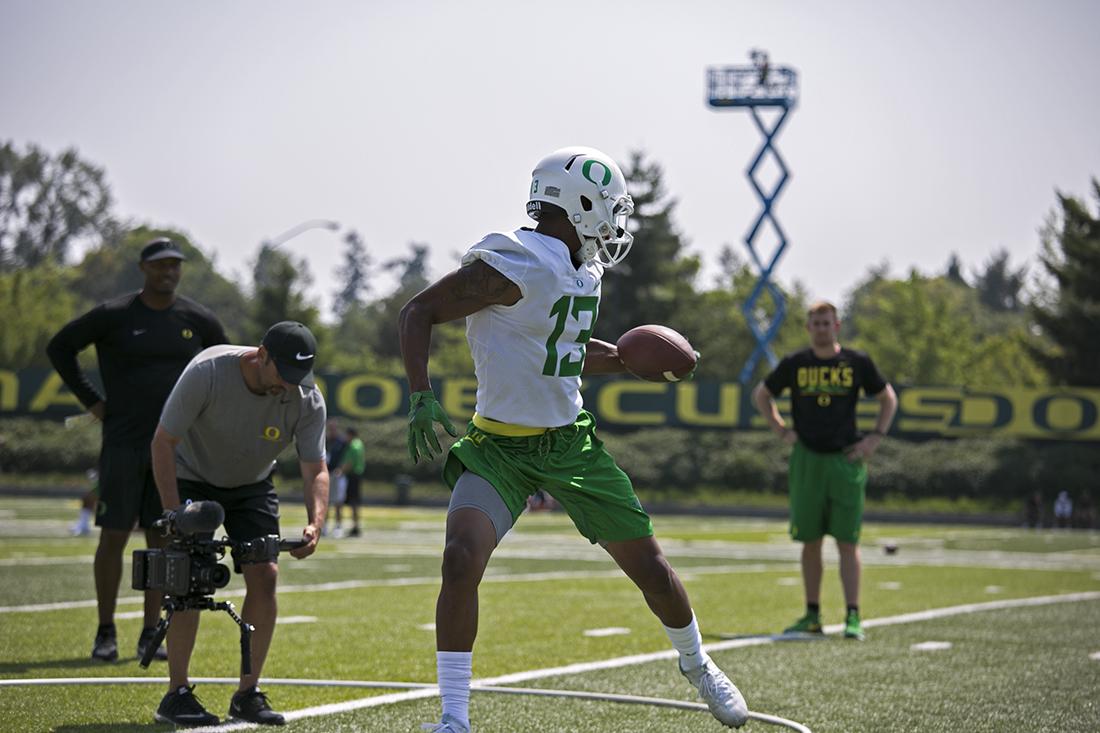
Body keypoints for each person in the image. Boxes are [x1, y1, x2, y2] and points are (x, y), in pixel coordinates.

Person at [399, 146, 749, 732]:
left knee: (653, 570)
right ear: (581, 205)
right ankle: (453, 718)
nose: (614, 223)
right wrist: (419, 391)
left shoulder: (581, 269)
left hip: (569, 445)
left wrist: (629, 361)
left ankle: (698, 664)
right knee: (460, 560)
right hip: (497, 448)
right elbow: (418, 311)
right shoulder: (515, 261)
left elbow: (564, 349)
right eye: (609, 209)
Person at [46, 237, 227, 663]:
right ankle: (105, 631)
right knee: (112, 536)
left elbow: (227, 361)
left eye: (175, 265)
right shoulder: (114, 315)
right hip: (124, 444)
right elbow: (60, 347)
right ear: (144, 268)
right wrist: (92, 400)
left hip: (173, 448)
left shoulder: (197, 318)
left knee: (163, 539)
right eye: (160, 264)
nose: (169, 271)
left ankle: (151, 632)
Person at [149, 320, 329, 727]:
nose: (289, 386)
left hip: (251, 483)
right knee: (188, 578)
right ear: (262, 355)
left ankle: (247, 693)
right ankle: (176, 693)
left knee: (265, 575)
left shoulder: (306, 397)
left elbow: (315, 466)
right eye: (283, 375)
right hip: (192, 474)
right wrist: (175, 513)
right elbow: (163, 441)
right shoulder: (207, 373)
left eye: (298, 378)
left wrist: (316, 523)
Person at [752, 301, 898, 642]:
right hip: (807, 459)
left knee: (848, 541)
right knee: (810, 541)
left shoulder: (856, 362)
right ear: (808, 328)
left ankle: (853, 616)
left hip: (846, 460)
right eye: (815, 322)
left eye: (826, 322)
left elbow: (887, 398)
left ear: (837, 325)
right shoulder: (795, 363)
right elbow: (762, 394)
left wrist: (874, 439)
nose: (821, 327)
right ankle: (813, 615)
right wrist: (781, 429)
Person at [332, 426, 365, 537]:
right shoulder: (359, 444)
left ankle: (353, 526)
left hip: (352, 477)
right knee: (355, 503)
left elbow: (349, 462)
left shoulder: (353, 445)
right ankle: (355, 526)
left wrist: (340, 471)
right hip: (357, 475)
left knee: (350, 502)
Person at [323, 419, 348, 536]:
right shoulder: (325, 441)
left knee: (338, 502)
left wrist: (341, 469)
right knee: (325, 501)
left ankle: (338, 526)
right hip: (325, 474)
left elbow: (347, 457)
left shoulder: (342, 442)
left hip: (337, 474)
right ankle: (324, 526)